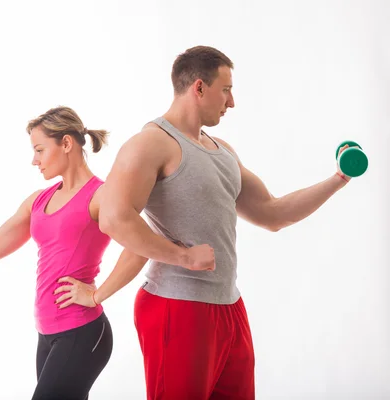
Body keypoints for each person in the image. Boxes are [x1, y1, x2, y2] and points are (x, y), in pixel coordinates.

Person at [57, 46, 355, 400]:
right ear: (199, 88)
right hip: (177, 307)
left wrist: (338, 178)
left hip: (229, 306)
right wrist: (182, 257)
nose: (232, 102)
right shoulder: (150, 144)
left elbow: (274, 214)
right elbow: (114, 219)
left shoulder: (222, 151)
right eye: (226, 89)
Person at [0, 106, 178, 399]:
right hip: (47, 334)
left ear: (66, 144)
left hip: (83, 332)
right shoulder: (39, 200)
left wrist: (96, 295)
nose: (34, 160)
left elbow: (141, 246)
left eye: (40, 150)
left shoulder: (100, 196)